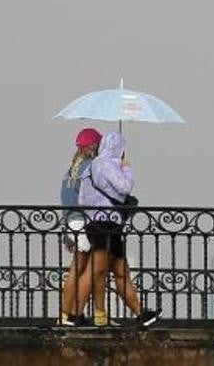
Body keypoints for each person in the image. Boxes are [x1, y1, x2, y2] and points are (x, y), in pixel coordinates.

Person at [78, 130, 160, 327]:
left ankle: (142, 315)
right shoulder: (105, 165)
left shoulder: (91, 167)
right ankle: (74, 314)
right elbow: (124, 187)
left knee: (121, 271)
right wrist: (127, 168)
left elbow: (81, 199)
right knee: (96, 270)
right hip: (105, 224)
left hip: (99, 223)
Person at [57, 127, 101, 326]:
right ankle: (70, 313)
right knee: (84, 270)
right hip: (84, 223)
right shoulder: (91, 167)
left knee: (79, 269)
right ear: (93, 146)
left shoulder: (70, 171)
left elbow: (66, 203)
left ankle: (69, 314)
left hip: (71, 223)